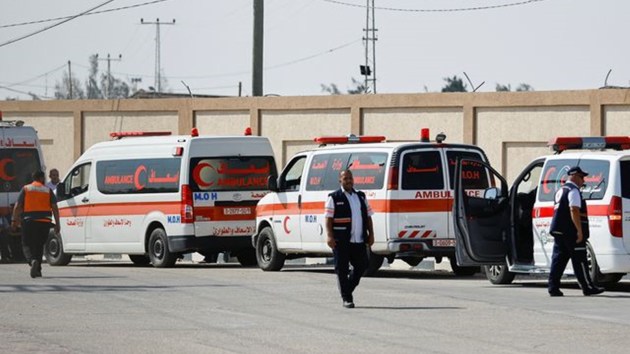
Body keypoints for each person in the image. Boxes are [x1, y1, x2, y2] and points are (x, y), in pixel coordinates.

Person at [548, 166, 604, 297]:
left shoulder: (561, 190)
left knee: (558, 260)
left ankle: (553, 287)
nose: (583, 180)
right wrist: (579, 231)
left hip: (559, 230)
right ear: (574, 176)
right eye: (581, 177)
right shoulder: (573, 191)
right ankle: (588, 287)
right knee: (580, 260)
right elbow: (574, 210)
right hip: (571, 231)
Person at [325, 170, 375, 308]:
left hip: (358, 240)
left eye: (350, 178)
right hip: (341, 240)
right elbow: (328, 219)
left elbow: (369, 217)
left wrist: (371, 234)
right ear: (340, 181)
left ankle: (347, 289)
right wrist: (329, 236)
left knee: (363, 265)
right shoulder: (334, 197)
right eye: (345, 178)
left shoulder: (360, 196)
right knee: (342, 269)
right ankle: (347, 298)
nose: (348, 181)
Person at [11, 170, 61, 278]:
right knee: (39, 245)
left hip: (29, 222)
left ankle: (32, 261)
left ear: (33, 178)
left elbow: (17, 206)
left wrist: (14, 221)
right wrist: (57, 224)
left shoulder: (26, 189)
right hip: (44, 222)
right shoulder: (48, 190)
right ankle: (38, 270)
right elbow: (55, 209)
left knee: (26, 244)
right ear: (42, 178)